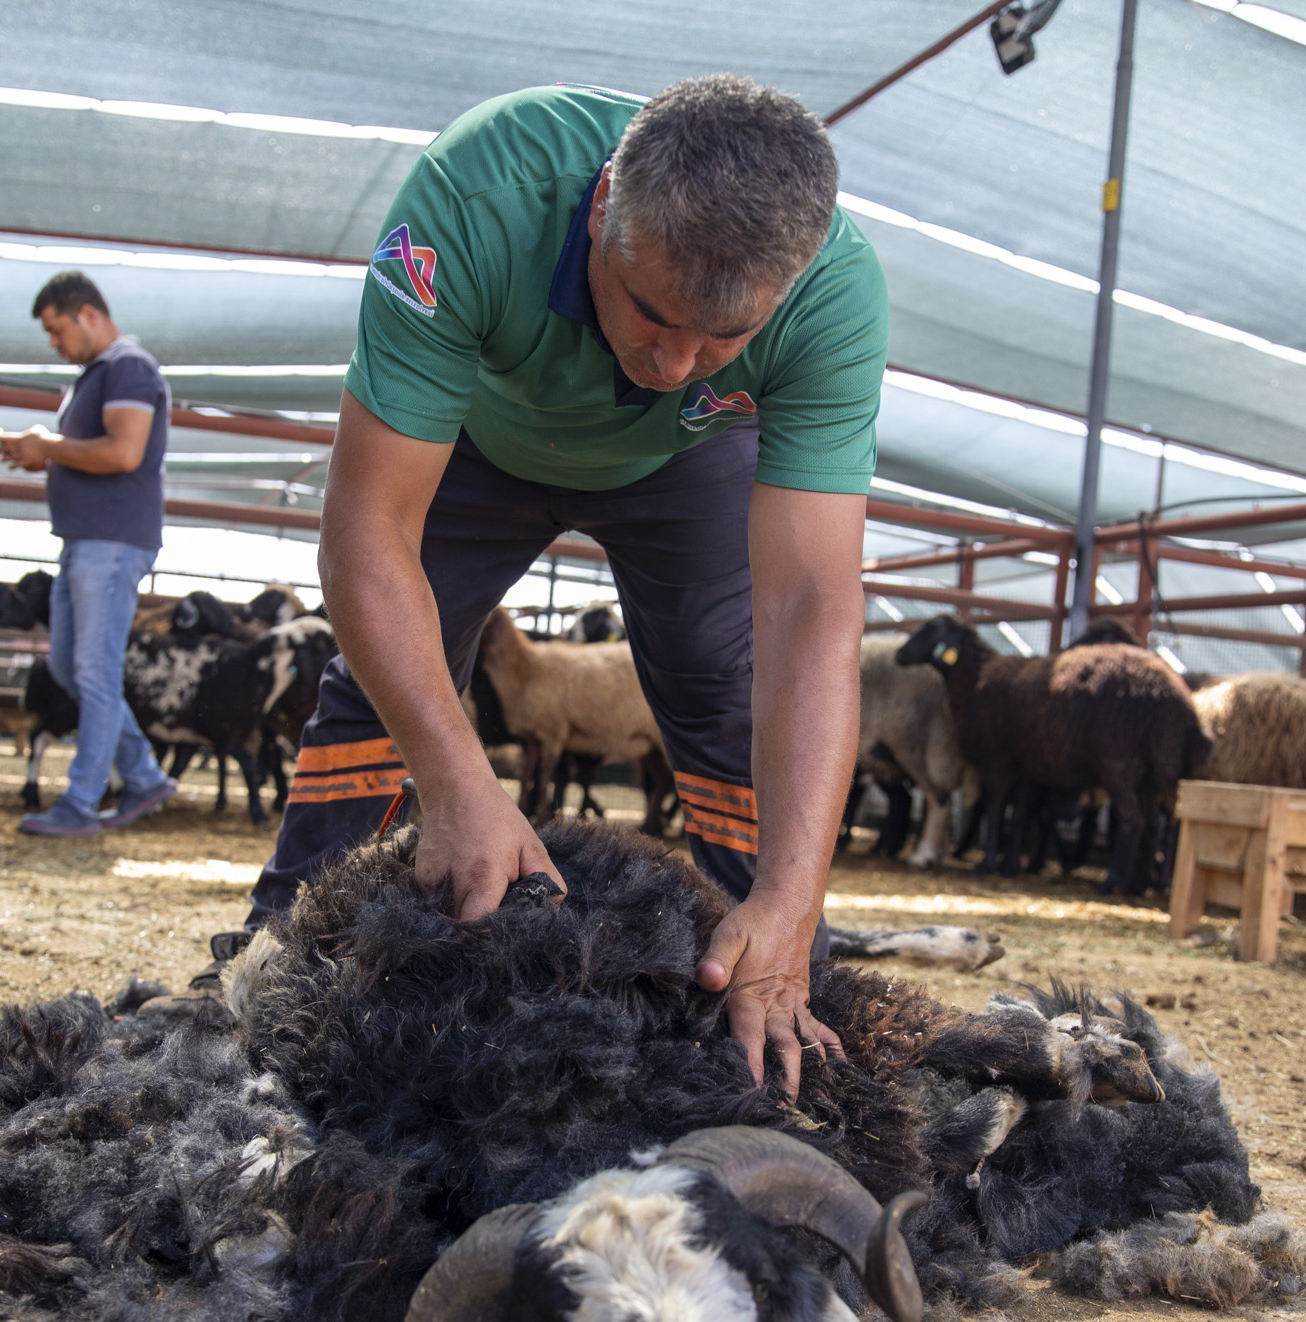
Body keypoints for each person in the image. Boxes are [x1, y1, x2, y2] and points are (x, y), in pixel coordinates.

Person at [248, 76, 888, 1097]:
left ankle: (752, 961)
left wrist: (797, 894)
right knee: (383, 678)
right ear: (600, 212)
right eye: (651, 310)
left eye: (725, 338)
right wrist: (459, 784)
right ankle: (280, 945)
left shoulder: (835, 296)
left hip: (689, 458)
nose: (674, 360)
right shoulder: (478, 194)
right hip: (482, 431)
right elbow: (366, 529)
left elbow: (813, 608)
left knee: (722, 684)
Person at [0, 271, 178, 836]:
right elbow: (94, 452)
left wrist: (47, 445)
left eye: (56, 329)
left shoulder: (128, 367)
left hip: (113, 541)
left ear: (87, 315)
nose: (53, 343)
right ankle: (143, 776)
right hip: (85, 539)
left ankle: (81, 802)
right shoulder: (95, 375)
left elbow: (124, 452)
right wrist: (44, 455)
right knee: (70, 666)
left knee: (92, 670)